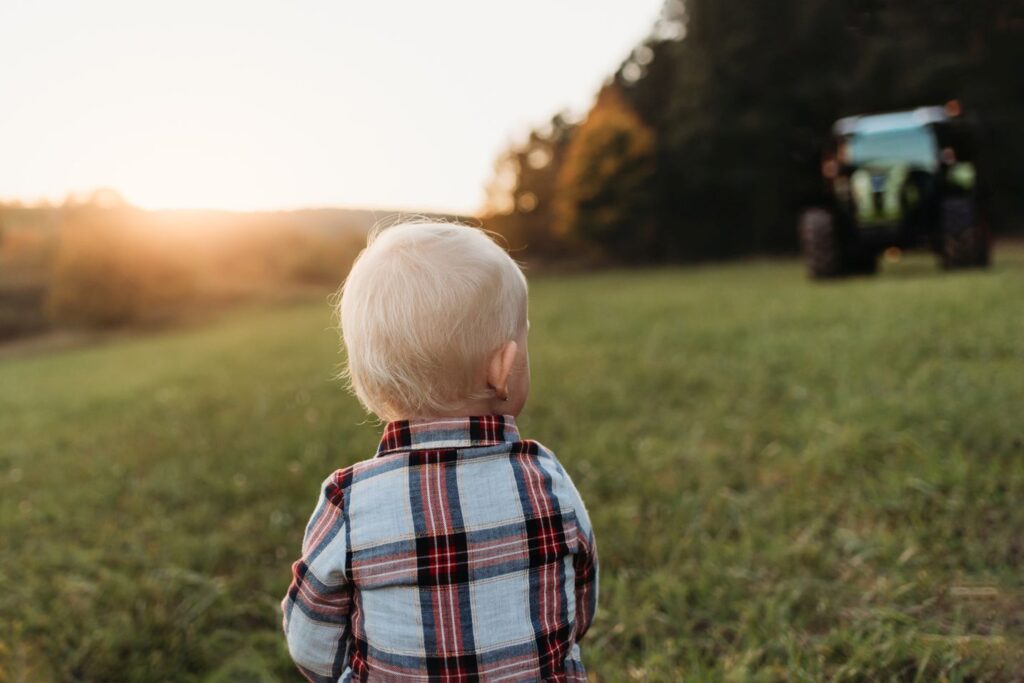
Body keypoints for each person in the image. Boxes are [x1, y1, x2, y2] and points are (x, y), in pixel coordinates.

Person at [281, 222, 599, 682]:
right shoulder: (546, 477)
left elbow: (311, 646)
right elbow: (580, 602)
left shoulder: (348, 501)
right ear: (503, 368)